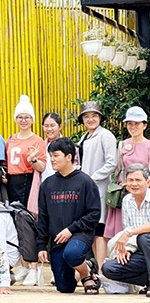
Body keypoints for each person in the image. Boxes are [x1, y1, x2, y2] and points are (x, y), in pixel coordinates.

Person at [37, 137, 101, 293]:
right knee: (65, 287)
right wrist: (41, 246)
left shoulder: (85, 182)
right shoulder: (47, 184)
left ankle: (85, 274)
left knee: (72, 253)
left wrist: (71, 229)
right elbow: (43, 218)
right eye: (50, 156)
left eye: (56, 155)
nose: (52, 159)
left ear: (69, 156)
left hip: (80, 235)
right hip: (58, 240)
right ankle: (88, 265)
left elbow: (94, 214)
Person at [5, 94, 45, 285]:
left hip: (29, 181)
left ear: (32, 120)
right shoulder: (10, 139)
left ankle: (34, 268)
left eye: (27, 117)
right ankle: (25, 265)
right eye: (20, 117)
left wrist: (33, 160)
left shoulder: (37, 140)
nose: (23, 120)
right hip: (11, 182)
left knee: (27, 223)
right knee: (15, 224)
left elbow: (42, 167)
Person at [77, 100, 117, 265]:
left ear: (100, 118)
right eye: (86, 116)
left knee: (100, 230)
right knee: (91, 230)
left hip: (99, 188)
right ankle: (98, 266)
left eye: (94, 115)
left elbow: (111, 163)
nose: (90, 119)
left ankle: (102, 269)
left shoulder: (106, 135)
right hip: (86, 189)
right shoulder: (84, 137)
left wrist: (91, 178)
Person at [102, 164, 150, 289]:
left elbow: (130, 232)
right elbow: (128, 228)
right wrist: (127, 250)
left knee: (144, 238)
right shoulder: (127, 200)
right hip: (139, 251)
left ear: (148, 182)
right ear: (126, 184)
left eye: (138, 180)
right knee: (109, 268)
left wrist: (129, 233)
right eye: (130, 180)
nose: (134, 184)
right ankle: (147, 280)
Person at [105, 107, 150, 240]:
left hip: (144, 193)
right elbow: (117, 169)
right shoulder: (122, 144)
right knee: (119, 233)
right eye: (130, 123)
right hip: (124, 192)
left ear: (145, 125)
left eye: (137, 123)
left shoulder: (149, 146)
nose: (133, 127)